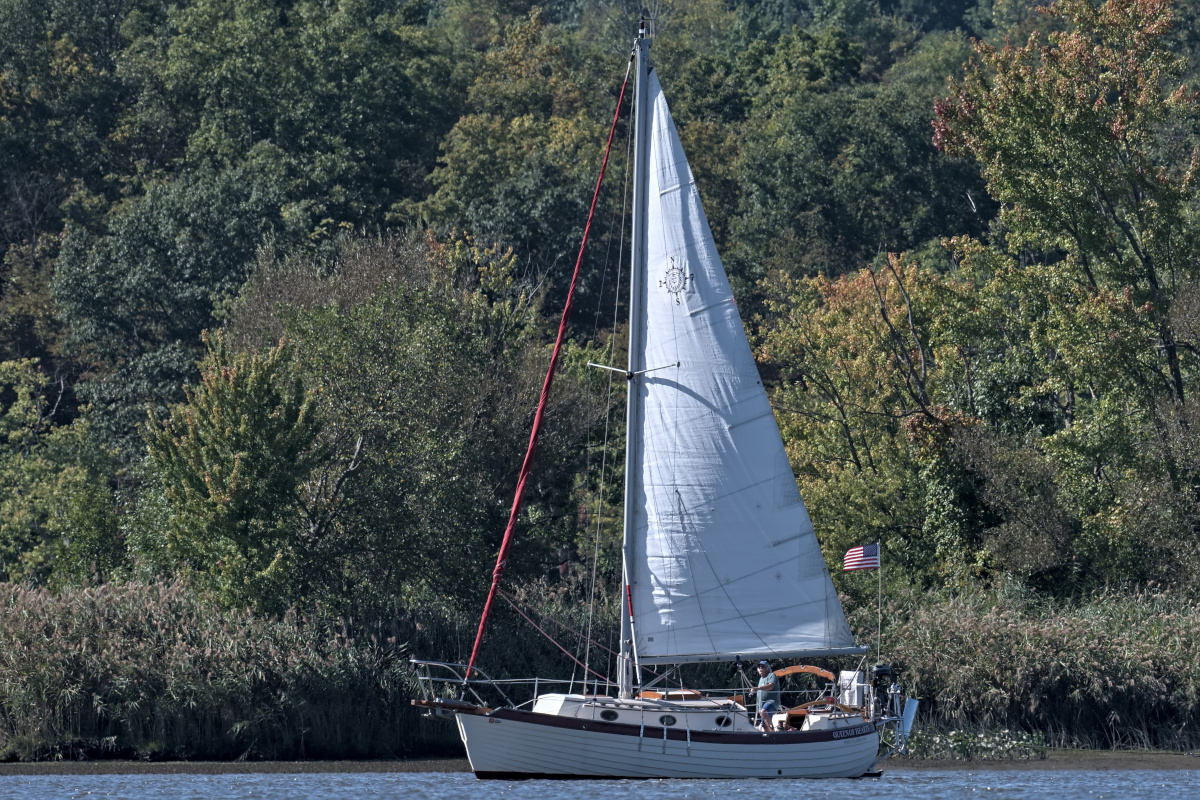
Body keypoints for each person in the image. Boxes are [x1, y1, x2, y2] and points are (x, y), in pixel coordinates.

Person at [753, 660, 782, 731]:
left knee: (763, 712)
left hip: (771, 702)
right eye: (759, 667)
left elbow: (770, 686)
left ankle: (772, 731)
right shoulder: (761, 679)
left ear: (768, 668)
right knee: (764, 725)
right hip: (761, 704)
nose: (760, 668)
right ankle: (769, 737)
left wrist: (757, 688)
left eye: (762, 666)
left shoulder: (771, 675)